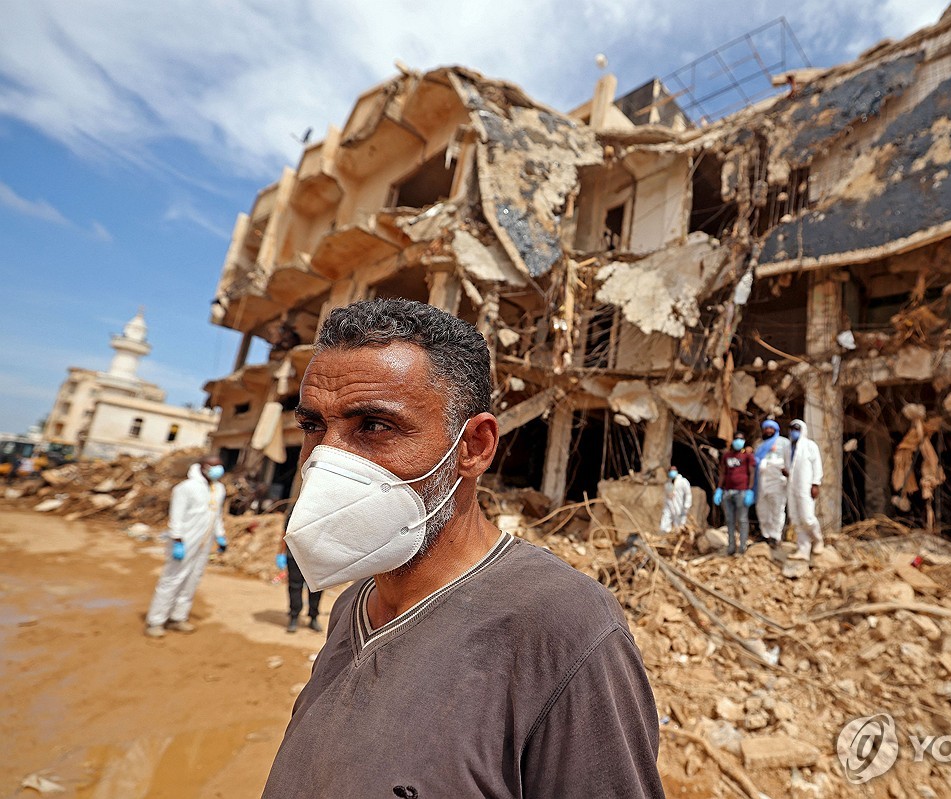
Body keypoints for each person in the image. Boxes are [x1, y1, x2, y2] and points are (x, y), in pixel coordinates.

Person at [263, 299, 662, 798]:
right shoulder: (353, 605)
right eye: (314, 427)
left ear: (473, 447)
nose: (327, 459)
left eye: (374, 426)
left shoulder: (564, 627)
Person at [144, 455, 227, 637]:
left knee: (192, 579)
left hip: (204, 543)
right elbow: (177, 517)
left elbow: (217, 514)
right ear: (203, 467)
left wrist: (220, 536)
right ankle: (156, 621)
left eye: (220, 466)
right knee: (172, 579)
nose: (218, 470)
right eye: (214, 466)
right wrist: (177, 540)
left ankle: (178, 617)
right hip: (184, 541)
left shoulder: (218, 489)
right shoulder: (186, 488)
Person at [786, 419, 824, 561]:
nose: (793, 432)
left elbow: (817, 465)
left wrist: (816, 484)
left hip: (805, 486)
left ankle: (818, 539)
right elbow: (789, 467)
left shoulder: (810, 446)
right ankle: (803, 549)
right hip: (792, 487)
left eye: (796, 429)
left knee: (807, 518)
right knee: (796, 519)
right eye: (791, 429)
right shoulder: (788, 448)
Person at [714, 432, 756, 555]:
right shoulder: (727, 456)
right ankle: (731, 547)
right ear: (733, 441)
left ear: (744, 441)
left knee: (742, 519)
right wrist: (719, 489)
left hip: (742, 491)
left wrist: (750, 490)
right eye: (736, 439)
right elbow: (723, 473)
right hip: (728, 492)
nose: (738, 441)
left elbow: (752, 473)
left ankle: (742, 547)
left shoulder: (747, 456)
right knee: (729, 520)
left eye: (741, 439)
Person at [277, 532, 323, 633]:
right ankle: (294, 617)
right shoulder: (293, 515)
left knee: (316, 586)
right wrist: (281, 552)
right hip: (294, 554)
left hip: (316, 554)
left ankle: (313, 617)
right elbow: (286, 532)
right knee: (294, 586)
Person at [754, 419, 790, 544]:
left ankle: (776, 535)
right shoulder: (759, 445)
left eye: (771, 428)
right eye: (766, 428)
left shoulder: (784, 443)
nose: (768, 430)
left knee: (777, 509)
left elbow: (788, 462)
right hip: (762, 482)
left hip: (777, 482)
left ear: (776, 429)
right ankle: (766, 534)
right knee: (762, 509)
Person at [659, 465, 692, 533]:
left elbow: (688, 494)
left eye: (674, 470)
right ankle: (664, 536)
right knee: (666, 520)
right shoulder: (668, 483)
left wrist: (687, 505)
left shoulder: (683, 481)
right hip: (669, 506)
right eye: (671, 470)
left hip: (680, 507)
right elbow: (667, 496)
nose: (672, 472)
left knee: (680, 525)